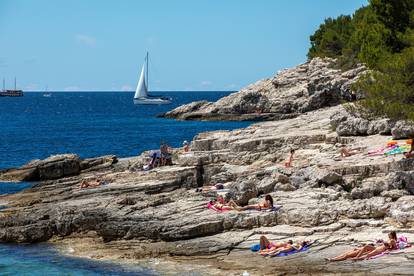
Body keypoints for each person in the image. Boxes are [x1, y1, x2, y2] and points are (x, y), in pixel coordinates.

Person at [327, 231, 398, 261]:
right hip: (377, 248)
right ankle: (334, 258)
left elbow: (394, 248)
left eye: (389, 235)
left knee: (365, 250)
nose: (388, 235)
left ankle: (334, 259)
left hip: (379, 250)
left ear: (392, 235)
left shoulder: (392, 240)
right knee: (363, 248)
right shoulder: (390, 240)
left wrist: (388, 248)